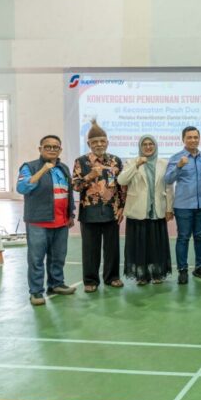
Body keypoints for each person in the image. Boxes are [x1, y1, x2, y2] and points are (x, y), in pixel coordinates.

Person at [17, 135, 76, 306]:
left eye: (55, 147)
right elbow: (22, 188)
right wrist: (43, 170)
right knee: (36, 259)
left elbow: (68, 193)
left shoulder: (63, 168)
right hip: (38, 222)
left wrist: (70, 214)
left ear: (60, 150)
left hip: (61, 222)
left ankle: (56, 284)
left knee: (58, 257)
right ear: (40, 149)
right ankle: (36, 292)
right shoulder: (29, 167)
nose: (51, 149)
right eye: (47, 146)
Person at [72, 120, 125, 293]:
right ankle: (90, 280)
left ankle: (112, 277)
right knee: (90, 249)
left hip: (111, 211)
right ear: (89, 144)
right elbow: (76, 186)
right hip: (89, 212)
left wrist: (121, 207)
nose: (99, 144)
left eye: (102, 141)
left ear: (107, 142)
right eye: (95, 142)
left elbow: (121, 187)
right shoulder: (81, 162)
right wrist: (89, 176)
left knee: (112, 248)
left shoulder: (115, 161)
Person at [117, 135, 174, 285]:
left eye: (151, 144)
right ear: (140, 147)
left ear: (155, 146)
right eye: (145, 144)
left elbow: (169, 187)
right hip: (137, 210)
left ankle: (157, 274)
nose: (148, 147)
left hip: (157, 210)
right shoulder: (131, 162)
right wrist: (136, 165)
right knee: (139, 245)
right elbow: (121, 180)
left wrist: (169, 208)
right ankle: (141, 276)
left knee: (156, 245)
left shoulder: (164, 163)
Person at [164, 126, 201, 285]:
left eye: (195, 137)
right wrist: (178, 166)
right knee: (183, 237)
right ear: (183, 139)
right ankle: (182, 270)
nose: (193, 140)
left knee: (200, 236)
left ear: (199, 139)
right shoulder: (176, 158)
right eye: (189, 137)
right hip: (183, 205)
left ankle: (200, 267)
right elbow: (168, 179)